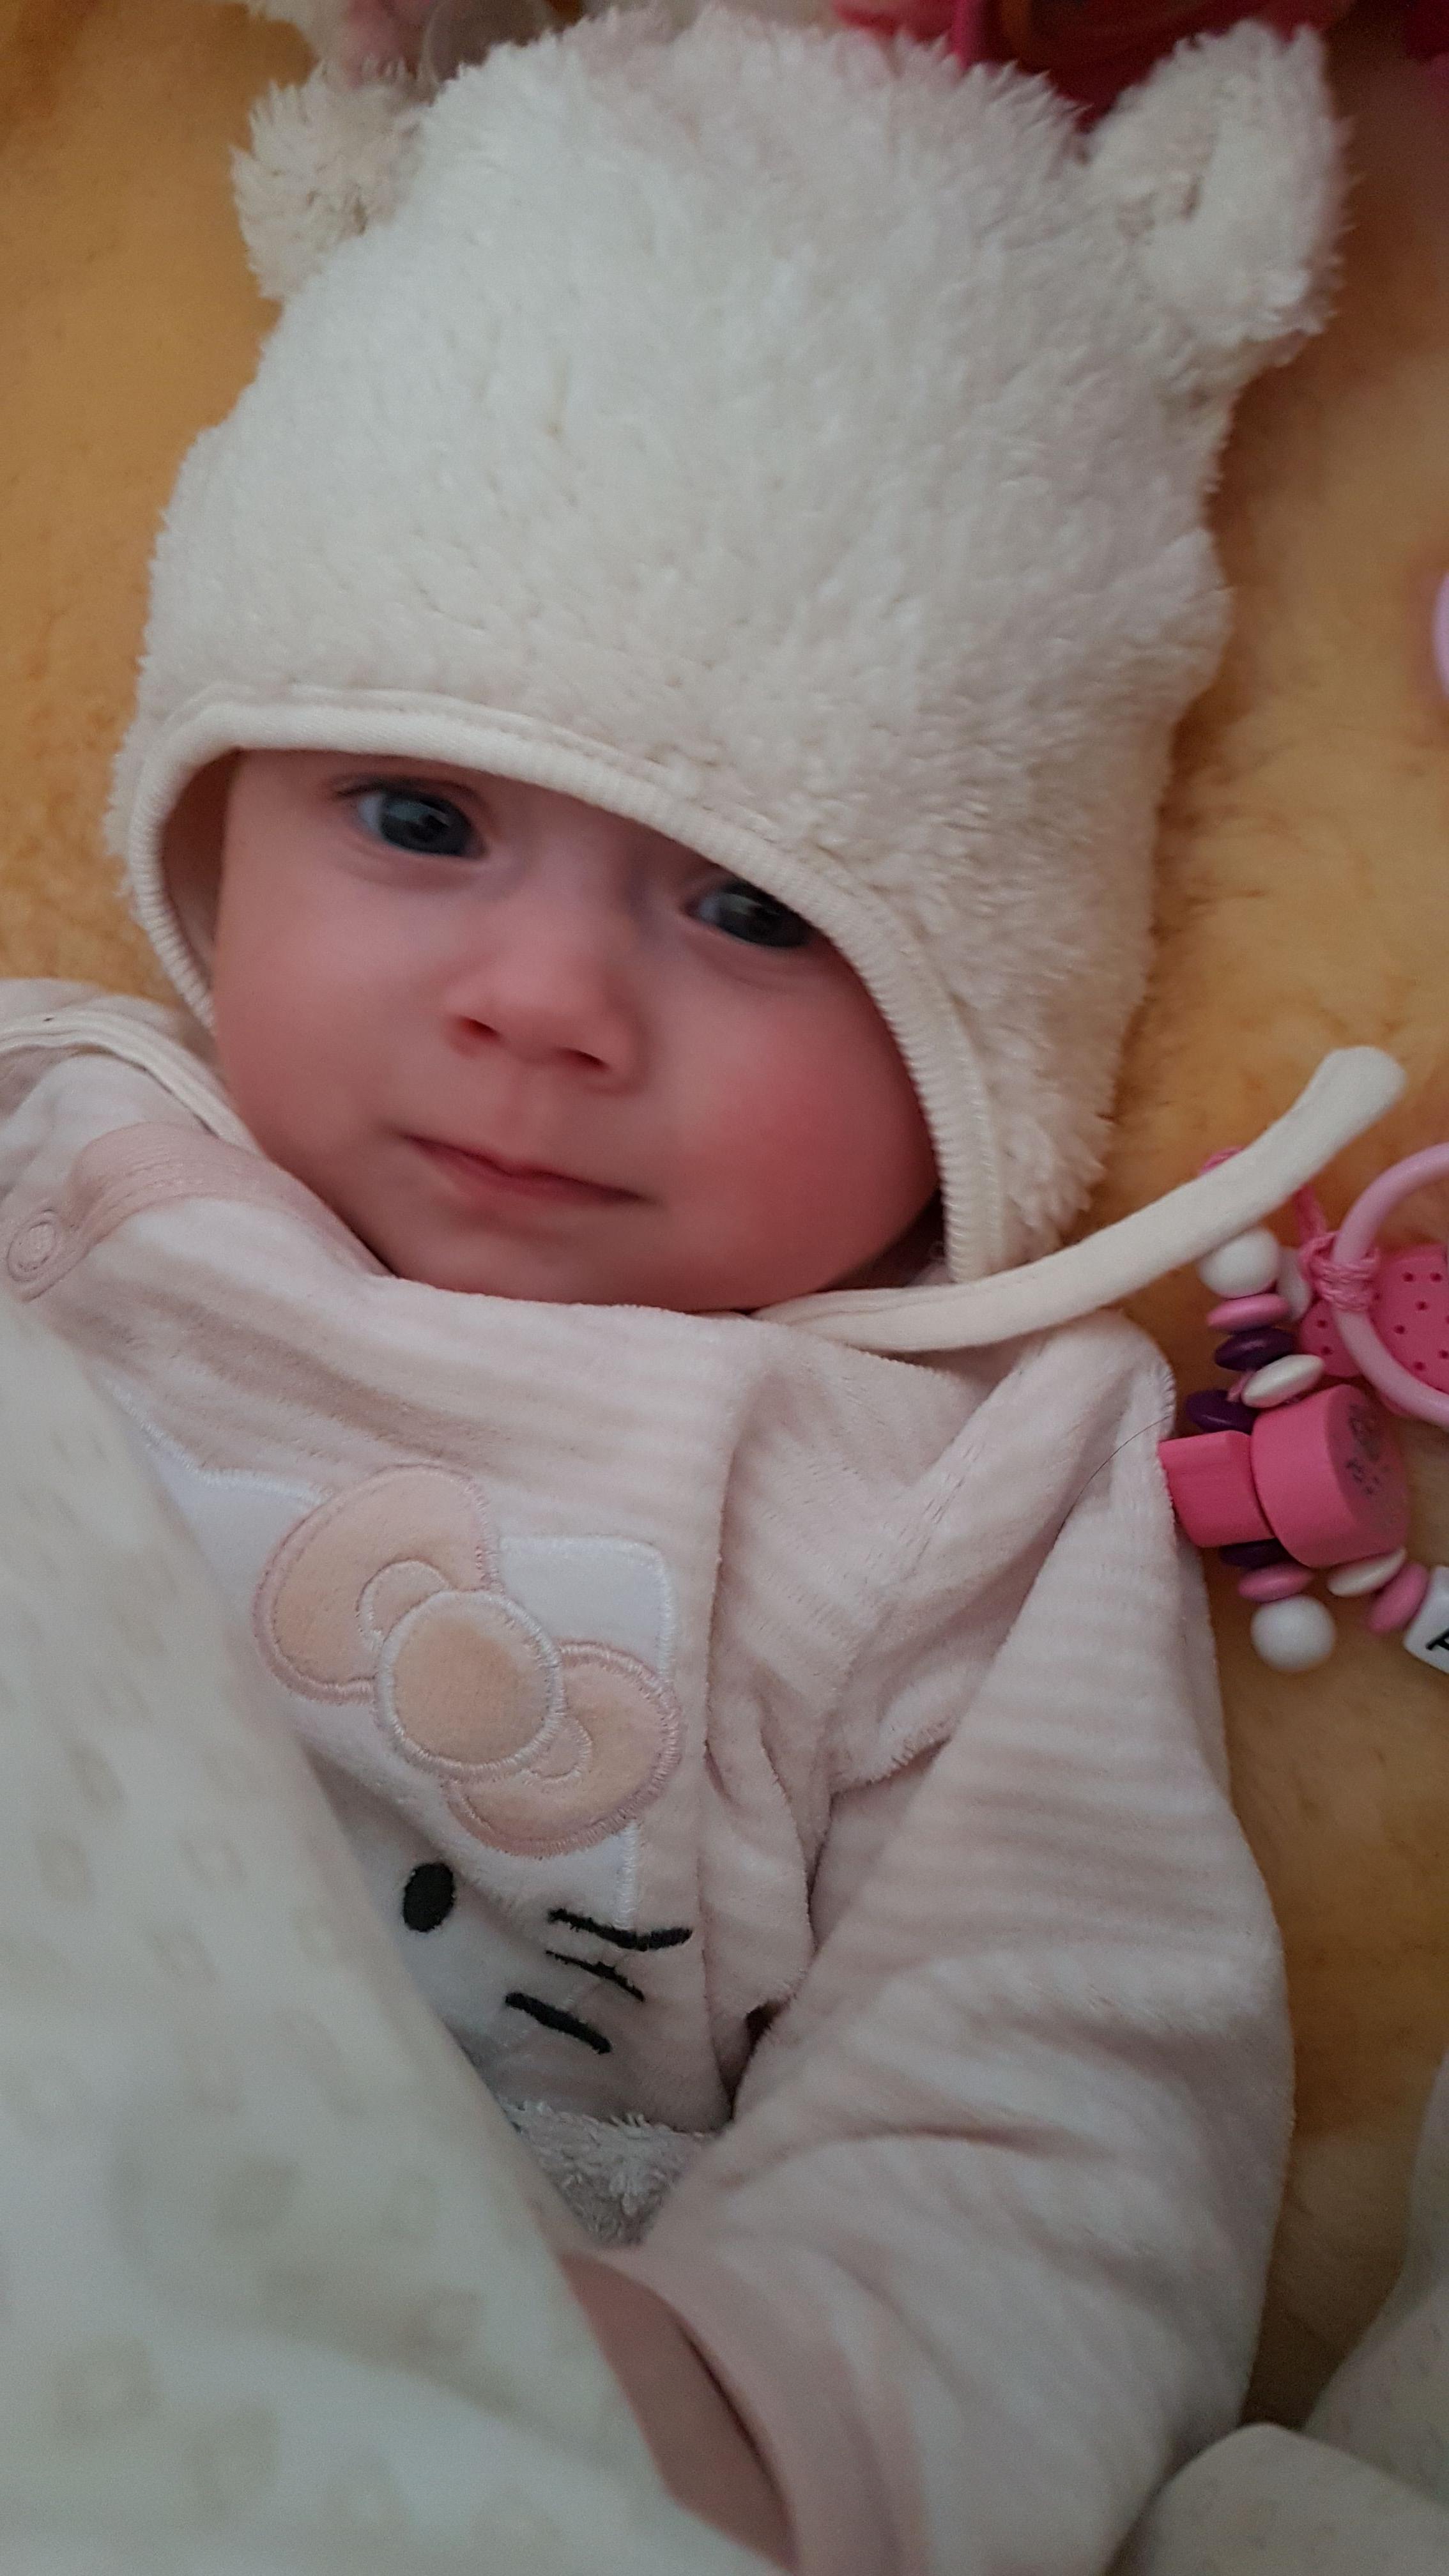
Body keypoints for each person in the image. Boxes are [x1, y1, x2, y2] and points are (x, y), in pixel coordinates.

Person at [0, 8, 1388, 2571]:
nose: (542, 1003)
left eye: (753, 905)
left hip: (438, 2375)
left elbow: (1045, 2088)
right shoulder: (55, 1136)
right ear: (205, 825)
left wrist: (753, 2408)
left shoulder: (969, 1477)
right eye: (415, 817)